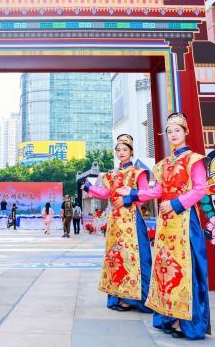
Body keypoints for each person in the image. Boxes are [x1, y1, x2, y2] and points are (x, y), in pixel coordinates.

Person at [135, 113, 210, 340]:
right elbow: (156, 191)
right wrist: (131, 195)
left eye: (177, 130)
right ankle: (169, 316)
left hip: (185, 220)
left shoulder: (195, 160)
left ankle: (187, 322)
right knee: (166, 270)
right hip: (166, 224)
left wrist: (175, 203)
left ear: (186, 132)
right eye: (169, 131)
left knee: (186, 271)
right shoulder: (162, 165)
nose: (173, 134)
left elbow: (200, 189)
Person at [83, 133, 153, 313]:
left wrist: (127, 199)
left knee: (136, 257)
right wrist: (89, 187)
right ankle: (119, 297)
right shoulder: (111, 175)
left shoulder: (138, 172)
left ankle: (137, 299)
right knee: (117, 258)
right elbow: (106, 193)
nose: (121, 152)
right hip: (115, 222)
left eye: (125, 149)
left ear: (131, 152)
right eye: (118, 149)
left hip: (132, 220)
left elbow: (146, 194)